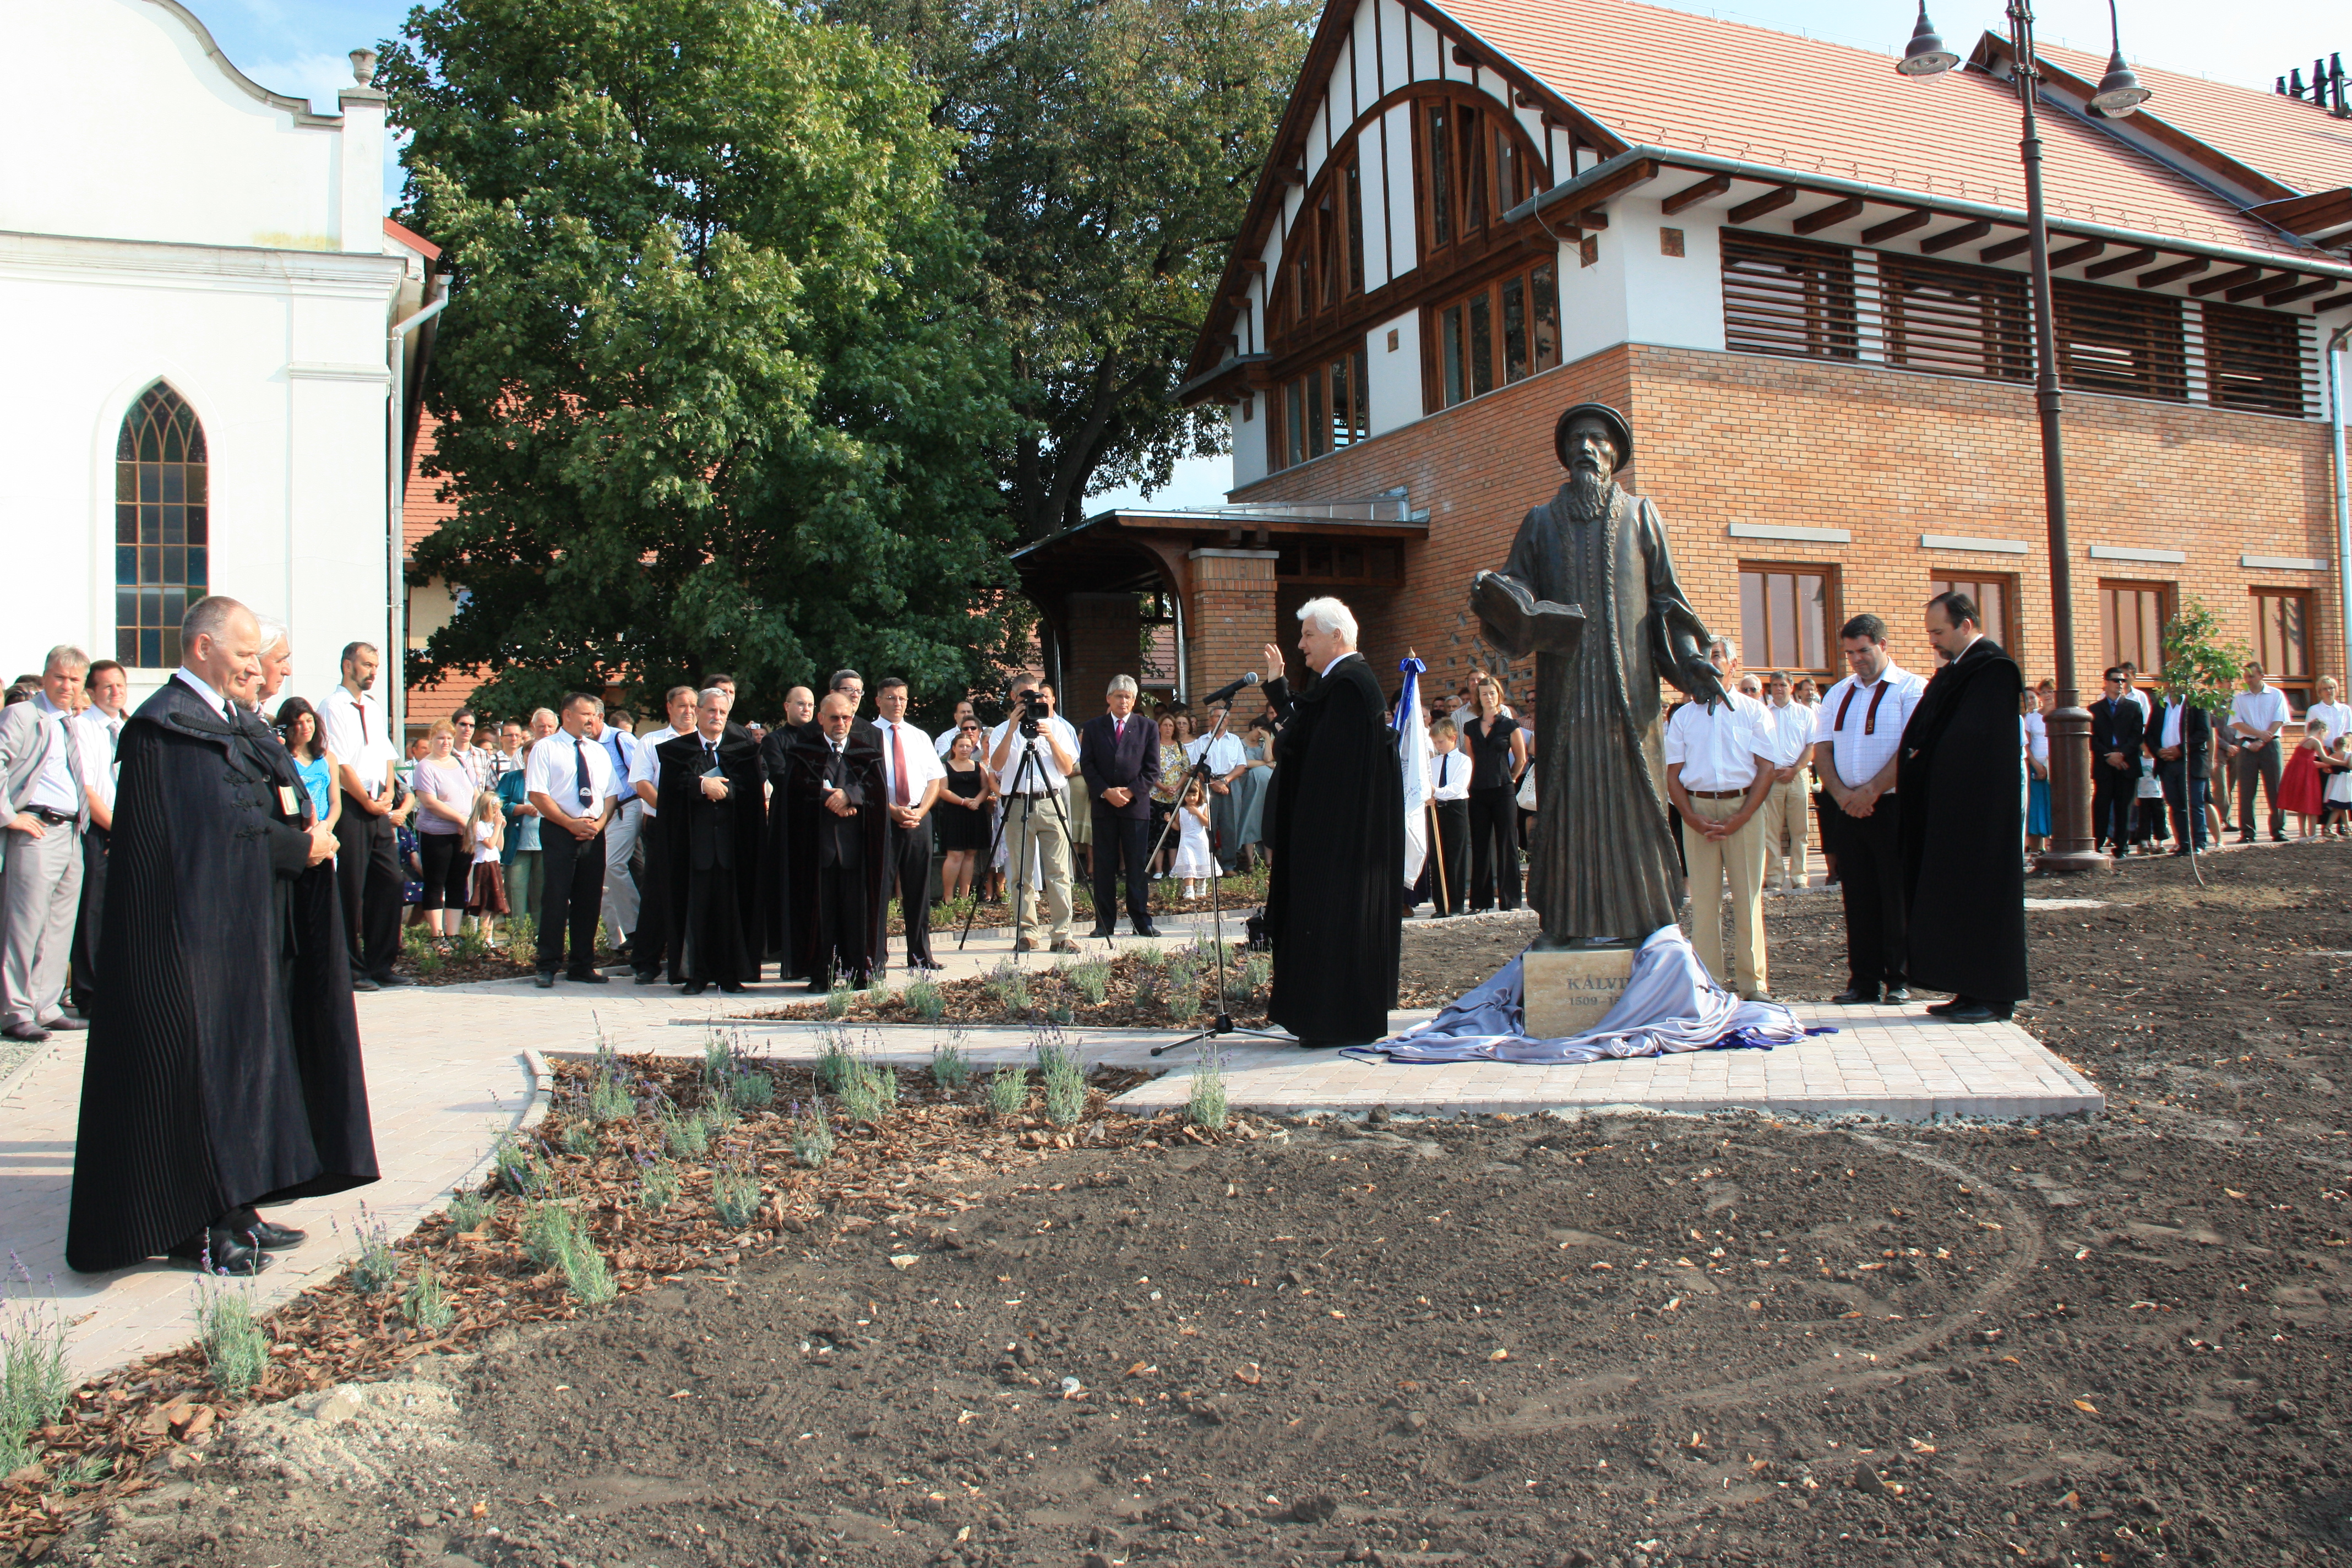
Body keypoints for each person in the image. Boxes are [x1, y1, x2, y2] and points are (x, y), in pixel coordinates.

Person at [68, 595, 372, 1275]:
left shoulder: (227, 720)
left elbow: (263, 799)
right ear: (203, 648)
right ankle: (197, 1225)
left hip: (243, 929)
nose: (253, 668)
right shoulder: (164, 729)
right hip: (187, 945)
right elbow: (216, 827)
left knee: (245, 1070)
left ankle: (239, 1205)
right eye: (242, 654)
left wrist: (307, 836)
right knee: (199, 1077)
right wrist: (303, 850)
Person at [1259, 598, 1403, 1048]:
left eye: (1308, 636)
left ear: (1336, 636)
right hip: (1332, 837)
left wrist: (1284, 744)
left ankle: (1333, 1020)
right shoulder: (1337, 682)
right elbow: (1303, 730)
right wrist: (1279, 690)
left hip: (1339, 842)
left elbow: (1318, 758)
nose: (1301, 645)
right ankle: (1319, 1016)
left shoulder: (1350, 685)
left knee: (1333, 925)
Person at [1897, 591, 2028, 1023]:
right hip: (1953, 812)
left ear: (1966, 625)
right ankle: (1968, 988)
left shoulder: (1993, 670)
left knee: (1983, 899)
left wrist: (1925, 758)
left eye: (1938, 631)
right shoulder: (1957, 670)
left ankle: (1992, 995)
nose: (1932, 640)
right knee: (1957, 899)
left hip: (1981, 813)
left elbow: (1972, 741)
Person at [1813, 613, 1925, 1005]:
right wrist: (1843, 795)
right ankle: (1863, 979)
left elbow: (1912, 749)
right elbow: (1822, 749)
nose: (1857, 659)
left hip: (1892, 806)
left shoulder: (1910, 689)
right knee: (1857, 893)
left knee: (1894, 891)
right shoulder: (1838, 693)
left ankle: (1899, 978)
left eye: (1863, 651)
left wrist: (1873, 790)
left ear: (1882, 645)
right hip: (1847, 808)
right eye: (1849, 653)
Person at [1663, 639, 1776, 1000]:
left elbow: (1766, 769)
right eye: (1702, 657)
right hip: (1698, 814)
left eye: (1715, 656)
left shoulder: (1754, 712)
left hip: (1744, 811)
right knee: (1705, 901)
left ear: (1732, 664)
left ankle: (1753, 985)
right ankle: (1708, 984)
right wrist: (1690, 817)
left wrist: (1741, 816)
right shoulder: (1683, 717)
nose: (1708, 663)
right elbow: (1672, 773)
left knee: (1747, 898)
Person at [1, 646, 93, 1042]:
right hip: (36, 827)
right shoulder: (22, 715)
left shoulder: (70, 723)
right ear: (45, 676)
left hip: (72, 833)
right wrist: (9, 816)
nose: (67, 686)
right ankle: (14, 1009)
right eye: (60, 677)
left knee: (59, 926)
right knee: (24, 925)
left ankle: (46, 1005)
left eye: (75, 680)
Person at [654, 688, 765, 993]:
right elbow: (672, 792)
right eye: (711, 711)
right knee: (696, 912)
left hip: (732, 848)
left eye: (723, 713)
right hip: (693, 848)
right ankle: (697, 975)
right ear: (699, 713)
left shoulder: (743, 750)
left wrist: (725, 790)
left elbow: (750, 793)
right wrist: (702, 785)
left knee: (730, 913)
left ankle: (730, 974)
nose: (717, 717)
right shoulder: (677, 750)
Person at [320, 643, 411, 989]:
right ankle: (350, 968)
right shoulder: (333, 707)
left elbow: (387, 755)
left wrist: (388, 792)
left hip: (378, 805)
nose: (374, 671)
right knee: (351, 887)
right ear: (348, 666)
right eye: (367, 665)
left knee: (390, 882)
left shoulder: (372, 708)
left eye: (376, 666)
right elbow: (340, 763)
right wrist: (367, 801)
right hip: (352, 806)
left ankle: (381, 963)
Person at [785, 691, 889, 988]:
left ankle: (860, 973)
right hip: (817, 849)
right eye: (834, 718)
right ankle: (822, 975)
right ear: (821, 719)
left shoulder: (865, 752)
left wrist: (850, 796)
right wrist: (825, 798)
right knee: (822, 914)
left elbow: (876, 792)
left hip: (857, 849)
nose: (840, 723)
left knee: (856, 913)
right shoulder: (804, 751)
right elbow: (794, 792)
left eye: (846, 717)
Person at [524, 693, 621, 986]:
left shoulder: (598, 751)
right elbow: (538, 794)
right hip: (559, 830)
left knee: (589, 899)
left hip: (593, 831)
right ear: (566, 715)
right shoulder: (546, 749)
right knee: (555, 897)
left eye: (594, 715)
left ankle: (582, 964)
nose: (591, 720)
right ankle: (548, 964)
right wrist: (569, 823)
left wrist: (599, 824)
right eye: (585, 714)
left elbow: (611, 794)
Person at [987, 675, 1080, 955]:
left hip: (1051, 801)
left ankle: (1062, 935)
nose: (1031, 703)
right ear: (1014, 699)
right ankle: (1026, 933)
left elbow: (1066, 769)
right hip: (1017, 802)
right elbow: (997, 765)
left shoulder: (1057, 727)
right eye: (1025, 698)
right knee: (1020, 872)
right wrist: (1013, 728)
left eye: (1036, 697)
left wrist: (1050, 737)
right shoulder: (1003, 730)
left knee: (1059, 871)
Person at [627, 686, 700, 986]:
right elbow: (641, 783)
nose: (689, 711)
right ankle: (647, 963)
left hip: (699, 828)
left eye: (694, 705)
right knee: (658, 894)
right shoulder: (652, 741)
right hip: (662, 825)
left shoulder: (707, 742)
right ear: (669, 708)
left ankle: (691, 963)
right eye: (682, 706)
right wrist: (670, 808)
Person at [1080, 674, 1162, 939]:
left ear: (1134, 700)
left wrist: (1128, 792)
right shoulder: (1094, 728)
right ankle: (1105, 923)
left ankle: (1141, 921)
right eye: (1118, 696)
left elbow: (1152, 770)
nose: (1123, 701)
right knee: (1104, 866)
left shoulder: (1148, 727)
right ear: (1109, 699)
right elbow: (1087, 766)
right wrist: (1105, 792)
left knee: (1137, 866)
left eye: (1128, 696)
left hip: (1135, 807)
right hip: (1104, 806)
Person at [67, 659, 128, 1017]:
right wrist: (117, 829)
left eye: (119, 685)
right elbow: (88, 790)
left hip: (125, 831)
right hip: (98, 830)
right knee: (92, 913)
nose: (115, 692)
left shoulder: (128, 727)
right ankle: (89, 994)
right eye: (106, 686)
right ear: (90, 692)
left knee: (120, 913)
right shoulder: (83, 728)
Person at [874, 678, 945, 971]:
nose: (898, 703)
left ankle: (920, 955)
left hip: (919, 818)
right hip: (884, 818)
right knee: (880, 891)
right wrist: (891, 810)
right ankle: (876, 958)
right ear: (878, 701)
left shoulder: (919, 736)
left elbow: (935, 779)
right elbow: (868, 783)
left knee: (919, 890)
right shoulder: (866, 734)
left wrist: (921, 811)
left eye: (902, 698)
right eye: (891, 698)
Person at [1460, 674, 1527, 913]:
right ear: (1478, 697)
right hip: (1478, 792)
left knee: (1507, 843)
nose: (1488, 697)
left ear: (1499, 696)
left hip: (1504, 791)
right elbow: (1471, 759)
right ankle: (1480, 902)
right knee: (1479, 845)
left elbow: (1521, 758)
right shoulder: (1469, 727)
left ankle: (1510, 901)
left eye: (1492, 693)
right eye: (1484, 693)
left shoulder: (1510, 725)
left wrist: (1511, 778)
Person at [411, 720, 476, 938]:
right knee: (436, 883)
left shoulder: (459, 762)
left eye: (449, 738)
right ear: (432, 740)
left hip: (463, 833)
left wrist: (474, 819)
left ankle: (453, 935)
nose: (445, 742)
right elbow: (429, 802)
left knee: (458, 883)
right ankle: (438, 936)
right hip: (436, 834)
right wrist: (459, 819)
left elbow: (472, 792)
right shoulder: (425, 766)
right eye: (440, 738)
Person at [1757, 671, 1815, 894]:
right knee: (1770, 830)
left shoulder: (1805, 714)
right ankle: (1774, 877)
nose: (1778, 689)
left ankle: (1800, 877)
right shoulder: (1764, 714)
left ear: (1792, 687)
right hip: (1771, 776)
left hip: (1798, 775)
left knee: (1800, 829)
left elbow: (1812, 746)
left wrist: (1795, 769)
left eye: (1783, 684)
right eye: (1774, 685)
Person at [595, 705, 645, 960]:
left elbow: (642, 772)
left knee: (614, 865)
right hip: (604, 814)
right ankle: (621, 938)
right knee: (626, 871)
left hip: (629, 806)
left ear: (599, 717)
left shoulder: (620, 738)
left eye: (587, 717)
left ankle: (637, 929)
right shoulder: (585, 744)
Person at [2227, 662, 2291, 843]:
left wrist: (2263, 739)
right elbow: (2236, 722)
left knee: (2276, 789)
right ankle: (2247, 832)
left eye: (2252, 676)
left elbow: (2279, 720)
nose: (2248, 680)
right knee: (2246, 790)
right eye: (2246, 677)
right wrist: (2257, 736)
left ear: (2262, 675)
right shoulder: (2240, 698)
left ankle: (2278, 830)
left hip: (2271, 745)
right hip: (2247, 746)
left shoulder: (2276, 694)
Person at [2148, 680, 2213, 855]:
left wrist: (2180, 749)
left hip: (2191, 763)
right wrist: (2159, 751)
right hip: (2167, 765)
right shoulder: (2160, 705)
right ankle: (2184, 844)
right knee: (2176, 805)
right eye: (2170, 680)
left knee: (2194, 803)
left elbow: (2204, 732)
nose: (2173, 684)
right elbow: (2150, 735)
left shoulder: (2196, 702)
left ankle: (2198, 844)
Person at [1185, 704, 1248, 873]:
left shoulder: (1235, 741)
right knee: (1208, 826)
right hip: (1207, 785)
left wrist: (1225, 781)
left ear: (1228, 720)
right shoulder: (1202, 741)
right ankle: (1208, 865)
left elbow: (1242, 766)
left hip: (1230, 785)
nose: (1221, 720)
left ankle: (1229, 865)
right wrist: (1213, 782)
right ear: (1211, 720)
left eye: (1224, 717)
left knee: (1230, 827)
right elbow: (1195, 766)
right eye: (1217, 716)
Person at [936, 722, 995, 902]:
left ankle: (964, 896)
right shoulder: (946, 767)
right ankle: (948, 896)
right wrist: (963, 802)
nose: (964, 749)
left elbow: (986, 787)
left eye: (968, 747)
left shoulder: (979, 767)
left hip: (975, 813)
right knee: (955, 855)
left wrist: (977, 801)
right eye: (961, 746)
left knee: (970, 855)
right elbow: (942, 790)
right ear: (954, 748)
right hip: (954, 814)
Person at [2089, 669, 2144, 856]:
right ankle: (2096, 844)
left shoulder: (2133, 707)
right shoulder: (2094, 710)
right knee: (2102, 805)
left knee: (2124, 807)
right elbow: (2092, 739)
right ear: (2106, 683)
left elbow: (2137, 736)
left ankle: (2122, 846)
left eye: (2123, 680)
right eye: (2115, 680)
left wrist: (2122, 754)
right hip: (2105, 765)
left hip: (2127, 764)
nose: (2120, 683)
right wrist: (2109, 755)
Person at [1426, 717, 1471, 916]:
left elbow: (1457, 788)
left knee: (1455, 857)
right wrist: (1429, 796)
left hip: (1455, 809)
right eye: (1435, 743)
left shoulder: (1463, 761)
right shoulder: (1433, 763)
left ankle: (1456, 904)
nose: (1438, 746)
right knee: (1437, 857)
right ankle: (1441, 905)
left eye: (1441, 742)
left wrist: (1436, 791)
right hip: (1436, 810)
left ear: (1453, 738)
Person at [497, 738, 543, 930]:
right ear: (522, 756)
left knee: (542, 893)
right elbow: (498, 804)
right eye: (528, 753)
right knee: (516, 891)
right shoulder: (511, 778)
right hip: (517, 845)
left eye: (536, 753)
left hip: (545, 845)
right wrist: (521, 809)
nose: (531, 757)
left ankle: (542, 936)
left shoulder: (551, 778)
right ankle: (519, 937)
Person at [465, 789, 509, 940]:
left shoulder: (491, 826)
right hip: (484, 865)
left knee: (493, 903)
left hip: (494, 863)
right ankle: (483, 938)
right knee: (485, 903)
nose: (497, 814)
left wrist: (500, 828)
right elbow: (490, 844)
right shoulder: (479, 826)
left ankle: (488, 939)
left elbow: (500, 846)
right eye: (495, 811)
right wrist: (497, 827)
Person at [1150, 713, 1188, 879]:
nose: (1168, 728)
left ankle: (1173, 868)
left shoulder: (1180, 746)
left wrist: (1176, 787)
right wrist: (1164, 787)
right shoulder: (1152, 746)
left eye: (1171, 726)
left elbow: (1186, 770)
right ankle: (1158, 869)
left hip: (1176, 798)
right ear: (1159, 728)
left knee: (1174, 834)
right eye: (1165, 725)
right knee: (1158, 834)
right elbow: (1149, 771)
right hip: (1156, 796)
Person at [1170, 776, 1215, 899]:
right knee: (1189, 863)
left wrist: (1197, 813)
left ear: (1199, 795)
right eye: (1188, 795)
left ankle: (1202, 886)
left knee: (1201, 862)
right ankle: (1189, 890)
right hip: (1186, 841)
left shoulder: (1203, 807)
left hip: (1200, 840)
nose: (1192, 798)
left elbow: (1207, 824)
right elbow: (1178, 827)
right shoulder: (1181, 810)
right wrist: (1170, 821)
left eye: (1194, 795)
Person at [2282, 719, 2327, 836]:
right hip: (2308, 775)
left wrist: (2325, 765)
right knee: (2312, 803)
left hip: (2300, 773)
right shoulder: (2315, 741)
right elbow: (2325, 759)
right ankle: (2312, 835)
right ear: (2322, 730)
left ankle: (2303, 833)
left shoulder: (2304, 740)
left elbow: (2310, 761)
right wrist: (2342, 763)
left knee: (2303, 804)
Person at [2022, 689, 2051, 856]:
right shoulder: (2030, 718)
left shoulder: (2059, 715)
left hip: (2056, 768)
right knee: (2037, 808)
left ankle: (2053, 847)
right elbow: (2027, 744)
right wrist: (2036, 765)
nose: (2030, 700)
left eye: (2032, 697)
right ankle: (2035, 849)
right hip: (2036, 769)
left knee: (2054, 807)